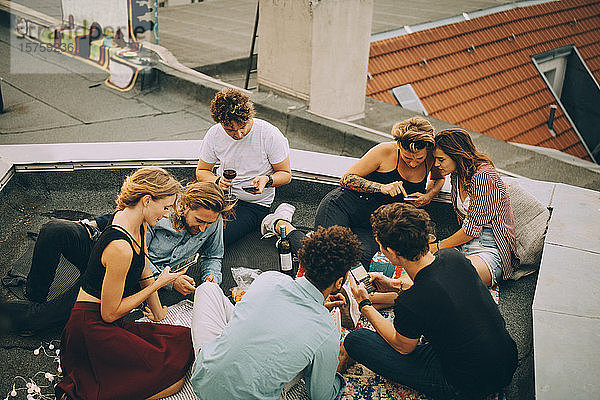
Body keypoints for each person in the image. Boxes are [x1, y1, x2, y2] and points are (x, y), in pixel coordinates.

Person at [3, 181, 231, 333]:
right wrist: (169, 282)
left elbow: (214, 255)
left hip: (125, 269)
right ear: (184, 207)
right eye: (199, 221)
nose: (203, 228)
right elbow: (141, 261)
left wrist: (211, 277)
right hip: (121, 264)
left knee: (49, 317)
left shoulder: (212, 221)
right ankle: (35, 294)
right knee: (55, 229)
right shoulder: (155, 215)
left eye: (208, 224)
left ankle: (39, 308)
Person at [343, 203, 518, 399]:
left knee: (355, 340)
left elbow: (403, 347)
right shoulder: (453, 257)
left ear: (391, 252)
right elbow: (437, 287)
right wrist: (395, 284)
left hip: (465, 386)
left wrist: (365, 305)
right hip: (507, 362)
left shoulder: (410, 302)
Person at [56, 167, 194, 400]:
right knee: (172, 379)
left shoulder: (134, 219)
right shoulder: (120, 247)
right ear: (147, 200)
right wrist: (158, 285)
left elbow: (144, 265)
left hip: (106, 322)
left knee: (181, 342)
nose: (168, 214)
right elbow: (109, 313)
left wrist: (159, 311)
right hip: (91, 328)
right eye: (166, 207)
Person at [189, 225, 362, 400]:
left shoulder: (269, 279)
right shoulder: (327, 331)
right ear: (339, 282)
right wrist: (337, 367)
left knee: (207, 288)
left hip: (203, 380)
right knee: (301, 360)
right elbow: (320, 395)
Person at [314, 116, 444, 267]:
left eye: (419, 158)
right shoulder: (384, 151)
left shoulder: (431, 158)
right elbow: (346, 179)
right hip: (344, 207)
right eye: (407, 157)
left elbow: (438, 179)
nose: (413, 163)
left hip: (377, 224)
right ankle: (290, 231)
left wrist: (429, 195)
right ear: (399, 145)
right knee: (327, 251)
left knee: (360, 259)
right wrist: (381, 187)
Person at [195, 88, 292, 246]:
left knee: (219, 238)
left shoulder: (269, 134)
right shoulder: (214, 134)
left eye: (242, 127)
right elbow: (202, 171)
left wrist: (267, 180)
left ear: (249, 116)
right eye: (230, 130)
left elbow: (286, 174)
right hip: (221, 195)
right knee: (191, 222)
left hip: (253, 204)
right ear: (220, 123)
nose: (238, 134)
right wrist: (217, 181)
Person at [432, 128, 519, 287]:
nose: (436, 164)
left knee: (449, 281)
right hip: (464, 245)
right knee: (426, 275)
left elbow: (471, 230)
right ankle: (376, 300)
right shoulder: (456, 174)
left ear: (457, 154)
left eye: (441, 159)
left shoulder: (484, 176)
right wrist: (428, 195)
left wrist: (436, 246)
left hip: (490, 248)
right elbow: (433, 175)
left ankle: (375, 301)